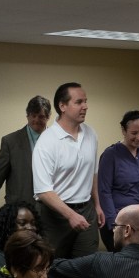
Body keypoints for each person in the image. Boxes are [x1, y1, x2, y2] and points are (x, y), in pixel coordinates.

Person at [32, 82, 104, 258]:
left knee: (87, 266)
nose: (85, 106)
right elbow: (43, 191)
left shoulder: (91, 134)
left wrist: (97, 205)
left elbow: (93, 173)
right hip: (55, 215)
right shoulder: (46, 142)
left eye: (85, 101)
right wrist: (71, 215)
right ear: (62, 106)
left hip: (86, 210)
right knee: (53, 267)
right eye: (79, 102)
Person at [97, 110, 139, 250]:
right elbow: (104, 192)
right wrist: (114, 225)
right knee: (123, 262)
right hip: (119, 223)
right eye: (134, 133)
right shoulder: (110, 155)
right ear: (123, 131)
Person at [0, 95, 51, 223]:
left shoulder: (57, 140)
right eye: (33, 116)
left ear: (48, 117)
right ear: (27, 116)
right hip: (19, 209)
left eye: (41, 116)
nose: (36, 120)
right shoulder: (10, 141)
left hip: (51, 210)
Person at [0, 200, 43, 267]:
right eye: (22, 223)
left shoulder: (38, 254)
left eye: (33, 223)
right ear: (8, 227)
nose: (30, 227)